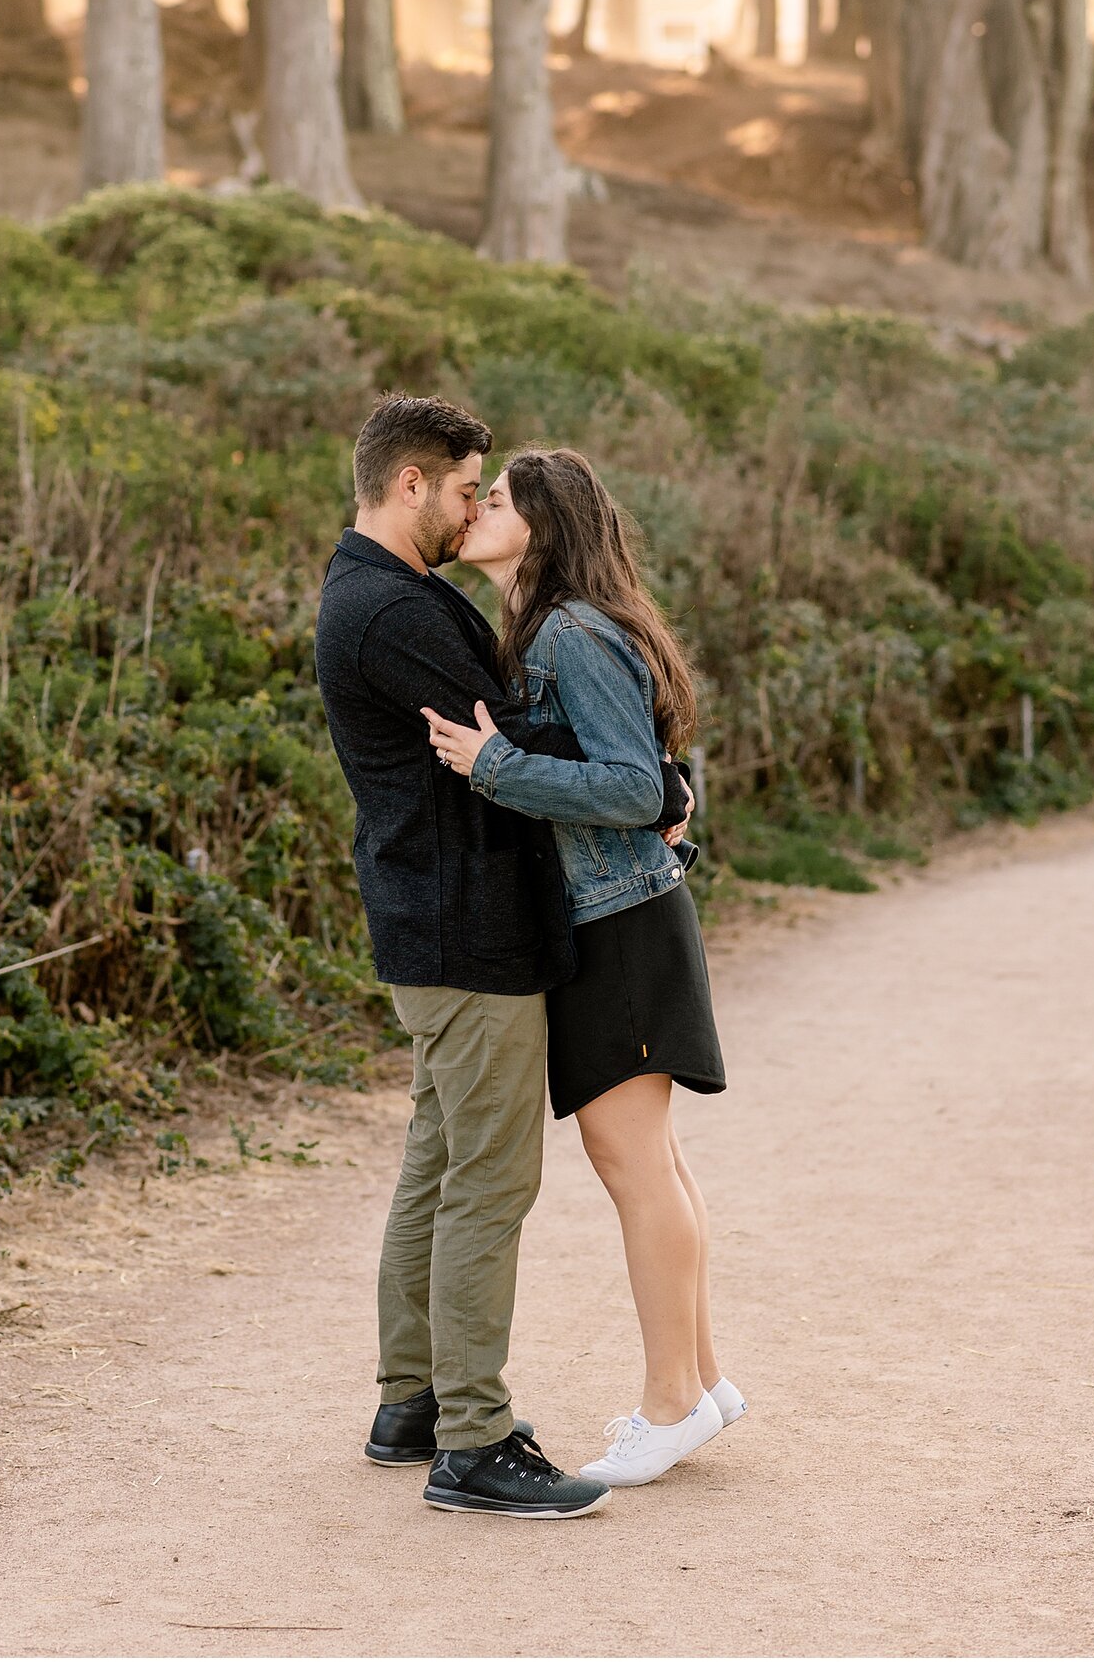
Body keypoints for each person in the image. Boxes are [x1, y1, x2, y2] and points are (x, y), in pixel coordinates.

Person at [312, 394, 687, 1520]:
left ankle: (410, 1401)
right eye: (467, 486)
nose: (477, 504)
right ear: (412, 482)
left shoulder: (388, 593)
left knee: (437, 1163)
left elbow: (528, 739)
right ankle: (472, 1438)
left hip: (434, 922)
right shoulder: (396, 615)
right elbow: (516, 743)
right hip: (465, 929)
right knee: (488, 1179)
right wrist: (656, 786)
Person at [422, 446, 735, 1488]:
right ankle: (701, 1382)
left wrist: (492, 765)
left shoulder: (567, 630)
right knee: (653, 1159)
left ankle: (668, 1404)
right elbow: (653, 780)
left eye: (496, 499)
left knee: (632, 1162)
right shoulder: (547, 629)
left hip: (621, 923)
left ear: (543, 525)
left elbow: (631, 785)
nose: (475, 510)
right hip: (622, 916)